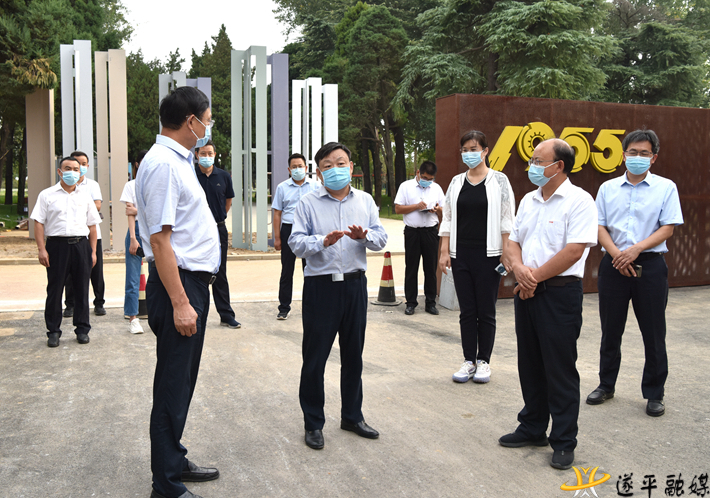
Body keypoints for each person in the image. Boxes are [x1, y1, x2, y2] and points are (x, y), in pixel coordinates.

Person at [136, 86, 221, 498]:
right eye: (208, 119)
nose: (209, 125)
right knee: (172, 385)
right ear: (191, 121)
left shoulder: (178, 161)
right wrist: (181, 303)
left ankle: (173, 459)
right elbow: (160, 241)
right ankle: (165, 484)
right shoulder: (164, 165)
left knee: (180, 383)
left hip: (190, 283)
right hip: (180, 286)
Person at [498, 138, 597, 471]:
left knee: (559, 368)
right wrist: (520, 270)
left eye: (539, 161)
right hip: (527, 290)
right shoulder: (528, 200)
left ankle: (564, 440)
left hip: (559, 294)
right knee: (530, 363)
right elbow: (513, 243)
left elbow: (574, 251)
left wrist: (532, 278)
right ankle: (532, 427)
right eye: (532, 160)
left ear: (559, 166)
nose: (532, 166)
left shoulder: (580, 201)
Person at [289, 142, 387, 450]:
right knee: (315, 358)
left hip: (355, 286)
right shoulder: (307, 203)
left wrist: (364, 237)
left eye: (340, 163)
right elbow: (295, 243)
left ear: (351, 166)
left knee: (353, 355)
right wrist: (322, 242)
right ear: (319, 173)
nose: (335, 169)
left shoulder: (365, 201)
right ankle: (313, 423)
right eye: (327, 166)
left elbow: (381, 238)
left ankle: (352, 416)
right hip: (321, 288)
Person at [586, 129, 683, 418]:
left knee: (653, 332)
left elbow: (668, 227)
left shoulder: (666, 187)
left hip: (650, 266)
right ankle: (606, 384)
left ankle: (655, 393)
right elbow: (599, 225)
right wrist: (617, 254)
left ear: (653, 157)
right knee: (610, 329)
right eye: (632, 152)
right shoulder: (607, 188)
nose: (637, 157)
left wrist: (636, 249)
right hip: (613, 266)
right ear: (623, 155)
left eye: (644, 153)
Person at [439, 131, 516, 384]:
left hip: (489, 255)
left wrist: (506, 251)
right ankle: (468, 361)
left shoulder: (499, 181)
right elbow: (447, 218)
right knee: (467, 311)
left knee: (486, 310)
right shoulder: (456, 182)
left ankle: (484, 361)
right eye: (464, 150)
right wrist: (444, 251)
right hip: (460, 254)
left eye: (474, 149)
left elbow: (507, 218)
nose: (469, 154)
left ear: (485, 151)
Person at [31, 156, 100, 347]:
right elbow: (38, 223)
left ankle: (82, 329)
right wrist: (41, 249)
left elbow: (92, 226)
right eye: (68, 168)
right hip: (56, 246)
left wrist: (93, 252)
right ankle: (53, 331)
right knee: (55, 289)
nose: (72, 172)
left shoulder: (85, 196)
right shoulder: (47, 195)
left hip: (80, 245)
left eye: (76, 169)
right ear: (60, 172)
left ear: (80, 172)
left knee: (81, 289)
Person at [194, 140, 241, 329]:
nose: (207, 157)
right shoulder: (190, 175)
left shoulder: (223, 176)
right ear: (196, 155)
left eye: (210, 153)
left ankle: (226, 315)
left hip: (218, 229)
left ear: (214, 154)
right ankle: (196, 314)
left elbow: (228, 201)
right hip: (195, 230)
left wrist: (219, 217)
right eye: (203, 154)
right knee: (195, 271)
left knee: (220, 271)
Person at [393, 160, 445, 316]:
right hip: (412, 232)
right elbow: (398, 209)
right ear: (418, 173)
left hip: (430, 232)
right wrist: (416, 206)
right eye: (424, 178)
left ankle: (430, 303)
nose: (427, 181)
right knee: (411, 268)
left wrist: (437, 209)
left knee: (430, 268)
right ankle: (411, 303)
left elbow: (444, 210)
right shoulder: (406, 186)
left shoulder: (436, 188)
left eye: (430, 179)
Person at [272, 152, 319, 320]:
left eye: (300, 166)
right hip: (289, 230)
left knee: (310, 269)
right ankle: (284, 307)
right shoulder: (282, 187)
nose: (297, 169)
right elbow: (277, 213)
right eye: (294, 167)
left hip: (308, 230)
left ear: (306, 168)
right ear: (289, 169)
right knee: (287, 270)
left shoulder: (315, 186)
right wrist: (277, 238)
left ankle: (311, 305)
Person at [63, 150, 106, 316]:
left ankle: (99, 302)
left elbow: (98, 205)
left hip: (92, 234)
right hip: (73, 235)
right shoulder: (64, 186)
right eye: (77, 164)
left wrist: (80, 207)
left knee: (96, 271)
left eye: (83, 164)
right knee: (71, 272)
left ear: (87, 166)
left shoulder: (92, 185)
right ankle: (70, 304)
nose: (80, 167)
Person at [120, 150, 148, 334]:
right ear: (137, 164)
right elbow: (130, 214)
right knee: (132, 278)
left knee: (160, 276)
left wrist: (138, 210)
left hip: (156, 231)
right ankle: (133, 318)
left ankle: (158, 314)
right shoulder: (131, 185)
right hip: (137, 230)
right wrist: (132, 238)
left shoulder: (159, 183)